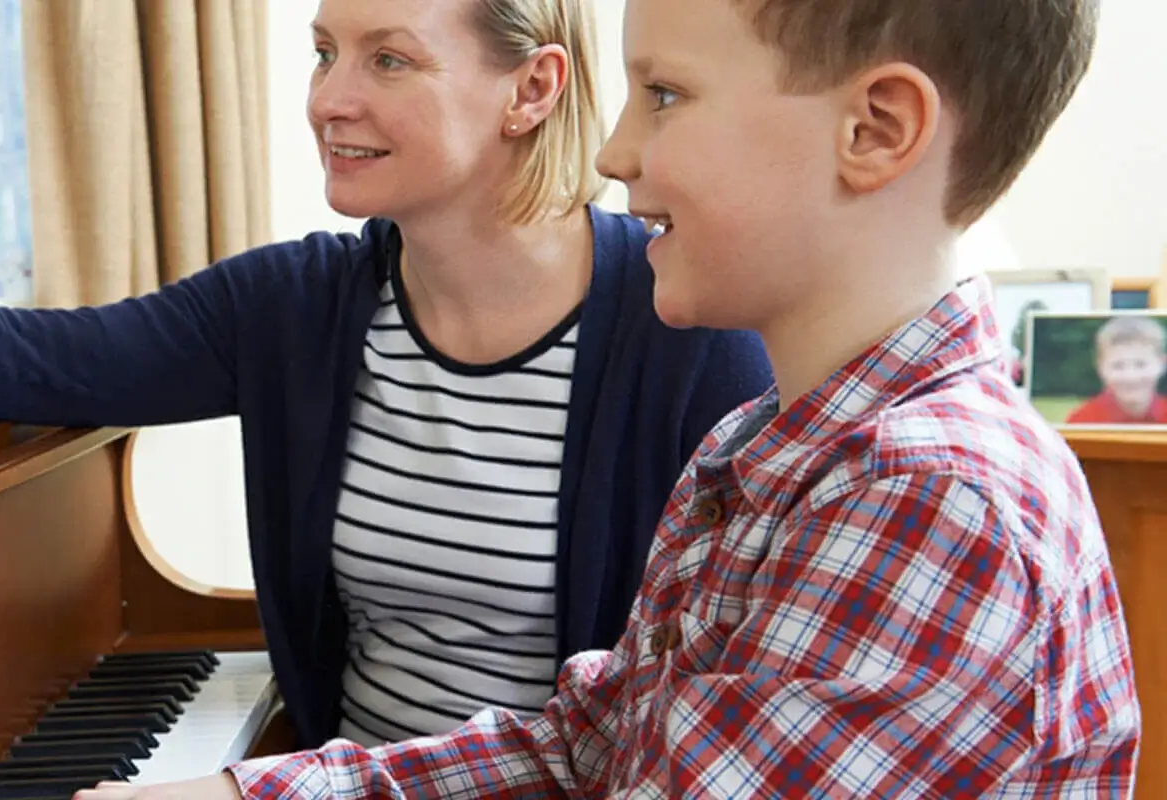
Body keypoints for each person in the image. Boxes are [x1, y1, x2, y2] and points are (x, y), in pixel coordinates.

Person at [0, 0, 771, 758]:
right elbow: (25, 361)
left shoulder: (681, 327)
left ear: (534, 88)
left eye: (388, 60)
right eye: (321, 50)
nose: (328, 100)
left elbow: (703, 711)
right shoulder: (297, 303)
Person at [72, 0, 1141, 795]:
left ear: (875, 130)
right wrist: (233, 789)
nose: (615, 149)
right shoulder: (764, 446)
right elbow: (586, 741)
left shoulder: (930, 503)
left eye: (665, 95)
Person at [1065, 315, 1167, 424]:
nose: (1130, 377)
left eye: (1141, 365)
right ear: (1100, 367)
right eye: (1118, 366)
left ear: (1162, 364)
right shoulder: (1082, 421)